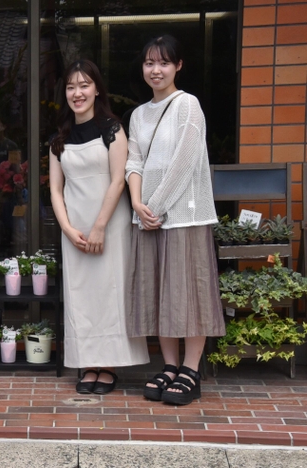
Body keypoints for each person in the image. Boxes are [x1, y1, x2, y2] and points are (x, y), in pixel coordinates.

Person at [125, 35, 225, 406]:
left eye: (164, 63)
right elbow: (133, 162)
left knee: (190, 294)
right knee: (159, 293)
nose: (156, 70)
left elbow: (185, 162)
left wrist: (157, 206)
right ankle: (169, 366)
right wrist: (138, 204)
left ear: (178, 66)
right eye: (150, 63)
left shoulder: (188, 106)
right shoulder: (137, 114)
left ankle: (191, 369)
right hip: (148, 216)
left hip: (183, 218)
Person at [49, 59, 149, 395]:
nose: (77, 93)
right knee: (80, 297)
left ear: (96, 89)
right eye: (71, 87)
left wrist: (100, 226)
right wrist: (66, 228)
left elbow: (119, 181)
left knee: (110, 292)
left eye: (84, 86)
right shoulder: (59, 139)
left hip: (109, 224)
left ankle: (108, 364)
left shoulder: (113, 129)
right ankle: (87, 362)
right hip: (74, 229)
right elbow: (55, 190)